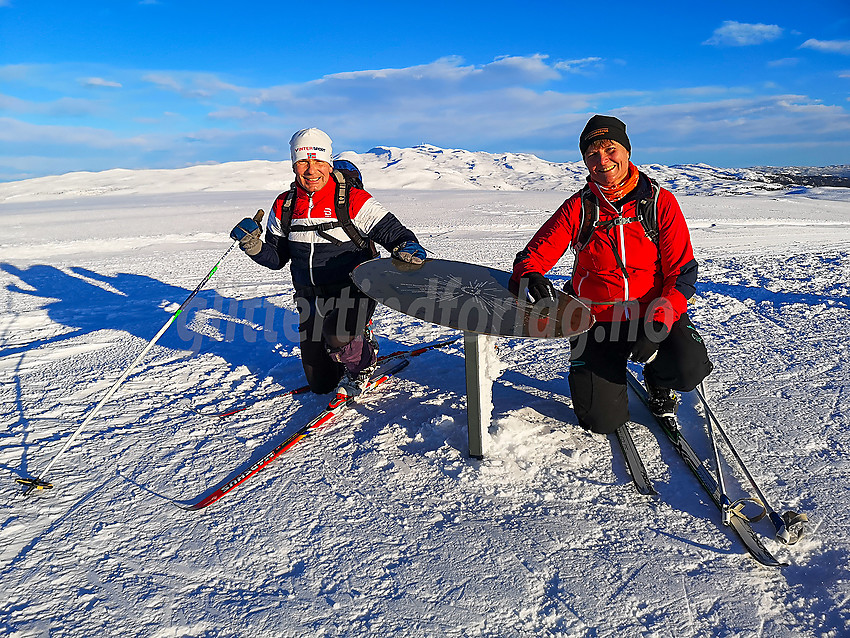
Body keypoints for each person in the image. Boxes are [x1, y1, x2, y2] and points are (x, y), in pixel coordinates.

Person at [511, 114, 712, 434]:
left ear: (627, 151)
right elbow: (531, 257)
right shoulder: (578, 208)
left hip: (651, 312)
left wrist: (660, 319)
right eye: (592, 153)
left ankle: (659, 383)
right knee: (600, 420)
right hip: (596, 318)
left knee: (689, 368)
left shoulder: (659, 203)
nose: (602, 159)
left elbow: (682, 273)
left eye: (610, 148)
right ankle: (603, 375)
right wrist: (531, 276)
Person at [230, 128, 426, 397]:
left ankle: (362, 362)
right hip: (309, 298)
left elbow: (395, 234)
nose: (311, 170)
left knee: (338, 336)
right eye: (303, 162)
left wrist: (406, 246)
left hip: (354, 290)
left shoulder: (353, 200)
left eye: (318, 161)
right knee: (321, 385)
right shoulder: (284, 205)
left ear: (329, 162)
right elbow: (276, 259)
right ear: (293, 164)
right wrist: (253, 246)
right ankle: (345, 352)